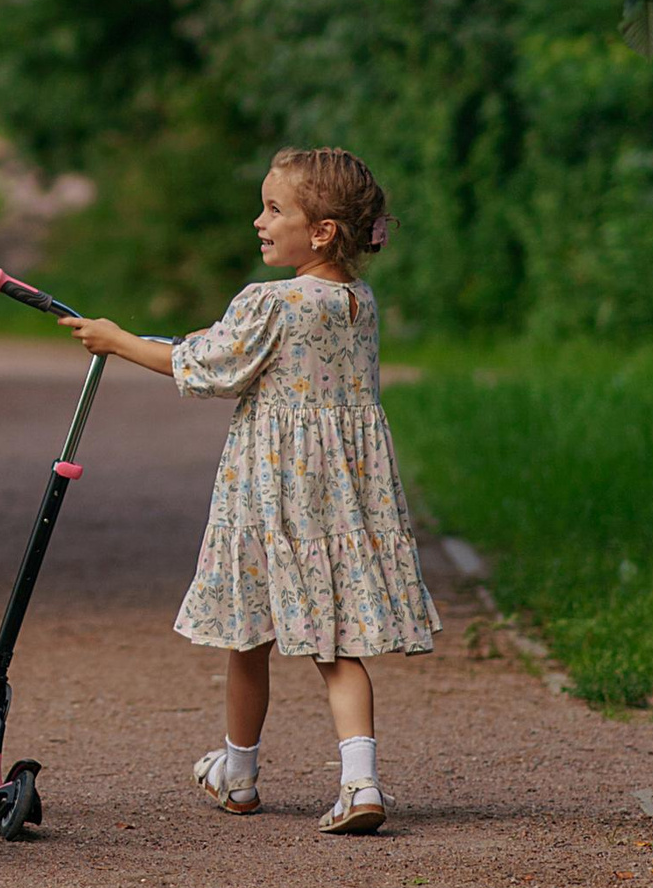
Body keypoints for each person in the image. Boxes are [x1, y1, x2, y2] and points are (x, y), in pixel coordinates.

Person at [64, 148, 433, 833]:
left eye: (273, 209)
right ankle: (357, 782)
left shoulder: (270, 301)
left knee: (249, 633)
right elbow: (260, 352)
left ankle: (242, 772)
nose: (259, 221)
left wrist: (116, 340)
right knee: (335, 642)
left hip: (272, 495)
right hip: (342, 499)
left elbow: (208, 368)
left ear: (320, 231)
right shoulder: (357, 302)